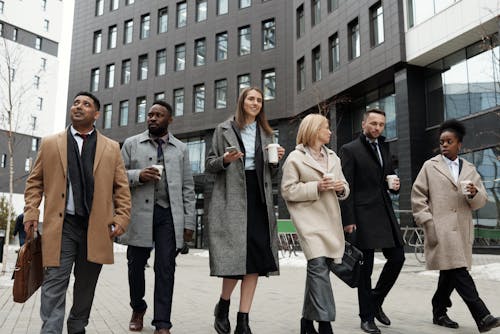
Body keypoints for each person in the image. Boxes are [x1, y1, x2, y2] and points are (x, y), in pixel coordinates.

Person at [23, 91, 131, 334]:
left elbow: (121, 187)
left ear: (97, 114)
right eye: (76, 103)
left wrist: (122, 217)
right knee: (54, 282)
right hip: (62, 226)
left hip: (97, 228)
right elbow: (35, 181)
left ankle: (77, 328)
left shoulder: (111, 148)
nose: (79, 107)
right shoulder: (51, 143)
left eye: (86, 104)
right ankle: (50, 331)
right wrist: (31, 212)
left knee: (86, 286)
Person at [206, 87, 285, 334]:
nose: (255, 103)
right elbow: (210, 165)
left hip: (259, 198)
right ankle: (224, 303)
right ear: (242, 101)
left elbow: (272, 175)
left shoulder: (267, 133)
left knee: (256, 260)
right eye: (251, 98)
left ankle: (243, 320)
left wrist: (277, 161)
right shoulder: (224, 129)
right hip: (232, 198)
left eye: (259, 100)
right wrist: (226, 160)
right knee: (235, 258)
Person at [411, 119, 500, 333]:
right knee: (459, 271)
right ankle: (483, 316)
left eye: (449, 141)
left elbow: (481, 200)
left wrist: (473, 194)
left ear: (459, 144)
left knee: (450, 273)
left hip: (461, 229)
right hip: (440, 229)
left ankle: (438, 309)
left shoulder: (469, 169)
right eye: (442, 141)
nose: (444, 145)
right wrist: (427, 221)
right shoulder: (430, 167)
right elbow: (417, 197)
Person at [120, 100, 196, 334]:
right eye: (150, 114)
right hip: (139, 215)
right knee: (135, 266)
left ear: (169, 119)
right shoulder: (132, 144)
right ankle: (138, 307)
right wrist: (138, 175)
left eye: (158, 115)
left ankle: (162, 323)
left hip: (168, 216)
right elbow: (117, 176)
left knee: (165, 268)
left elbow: (187, 187)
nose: (152, 118)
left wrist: (189, 222)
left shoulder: (181, 149)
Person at [281, 114, 349, 334]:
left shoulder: (334, 158)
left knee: (320, 270)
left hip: (330, 220)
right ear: (314, 130)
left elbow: (344, 187)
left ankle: (306, 321)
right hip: (308, 220)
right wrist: (316, 187)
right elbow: (288, 190)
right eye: (326, 128)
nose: (330, 132)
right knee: (318, 266)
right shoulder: (295, 158)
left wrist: (340, 188)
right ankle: (325, 324)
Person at [339, 108, 405, 334]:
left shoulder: (384, 147)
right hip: (362, 215)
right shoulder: (350, 150)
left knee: (398, 257)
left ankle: (375, 300)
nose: (377, 128)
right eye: (373, 123)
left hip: (385, 212)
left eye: (381, 125)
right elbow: (346, 188)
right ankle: (366, 317)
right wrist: (348, 220)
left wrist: (395, 186)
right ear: (363, 123)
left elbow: (388, 177)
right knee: (364, 269)